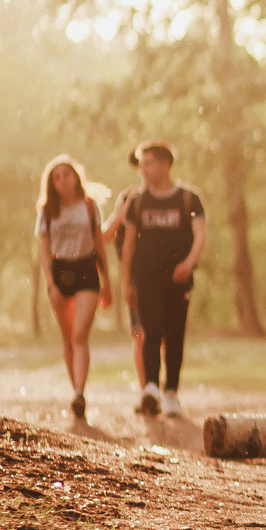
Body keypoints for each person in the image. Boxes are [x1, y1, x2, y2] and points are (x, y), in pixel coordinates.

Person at [103, 141, 207, 418]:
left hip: (178, 279)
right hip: (145, 279)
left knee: (175, 335)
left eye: (148, 163)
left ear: (165, 164)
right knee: (150, 331)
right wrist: (126, 282)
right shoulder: (136, 202)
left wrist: (188, 263)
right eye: (141, 164)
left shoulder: (189, 199)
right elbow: (128, 247)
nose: (143, 169)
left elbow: (200, 236)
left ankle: (171, 391)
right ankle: (150, 388)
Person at [34, 156, 112, 422]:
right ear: (51, 183)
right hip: (60, 273)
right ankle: (75, 390)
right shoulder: (47, 211)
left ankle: (79, 393)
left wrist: (107, 283)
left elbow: (100, 246)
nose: (62, 180)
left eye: (66, 175)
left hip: (87, 270)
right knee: (68, 338)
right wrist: (51, 283)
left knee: (80, 335)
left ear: (76, 177)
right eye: (56, 177)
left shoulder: (90, 208)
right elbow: (44, 253)